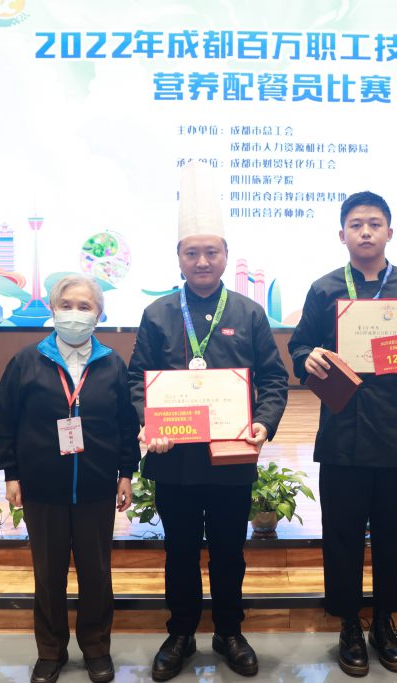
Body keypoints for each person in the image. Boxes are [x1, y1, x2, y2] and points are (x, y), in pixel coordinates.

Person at [128, 161, 288, 681]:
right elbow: (137, 381)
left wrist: (264, 423)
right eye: (192, 252)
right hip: (174, 460)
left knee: (228, 552)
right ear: (178, 257)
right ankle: (180, 633)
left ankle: (228, 631)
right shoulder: (157, 314)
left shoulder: (248, 312)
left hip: (231, 458)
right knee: (178, 552)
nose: (202, 261)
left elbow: (274, 378)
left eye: (211, 252)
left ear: (225, 255)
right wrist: (148, 423)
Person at [287, 191, 397, 677]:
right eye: (356, 224)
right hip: (343, 431)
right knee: (341, 535)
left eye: (374, 224)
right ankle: (348, 625)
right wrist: (306, 357)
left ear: (389, 232)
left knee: (394, 534)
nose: (365, 232)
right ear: (342, 234)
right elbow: (299, 348)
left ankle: (384, 621)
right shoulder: (324, 289)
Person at [0, 274, 140, 683]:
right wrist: (12, 473)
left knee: (97, 574)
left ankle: (96, 648)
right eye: (66, 305)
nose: (75, 314)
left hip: (96, 486)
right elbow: (6, 421)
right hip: (42, 488)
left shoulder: (112, 364)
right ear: (53, 310)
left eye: (84, 306)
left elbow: (126, 425)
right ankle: (50, 650)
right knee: (48, 574)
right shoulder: (26, 361)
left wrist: (126, 472)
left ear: (99, 314)